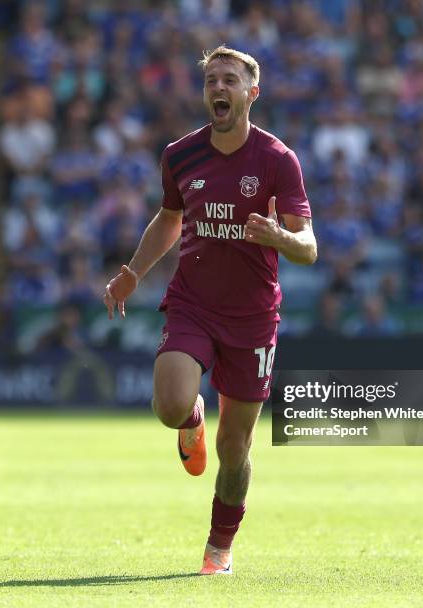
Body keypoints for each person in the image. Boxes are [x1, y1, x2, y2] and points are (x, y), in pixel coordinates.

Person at [103, 46, 317, 575]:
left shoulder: (277, 159)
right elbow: (169, 217)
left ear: (251, 92)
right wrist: (133, 271)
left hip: (252, 317)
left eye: (229, 80)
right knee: (171, 404)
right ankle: (191, 417)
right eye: (210, 81)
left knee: (235, 446)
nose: (218, 88)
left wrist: (279, 236)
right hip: (193, 303)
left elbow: (309, 247)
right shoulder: (181, 154)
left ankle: (219, 547)